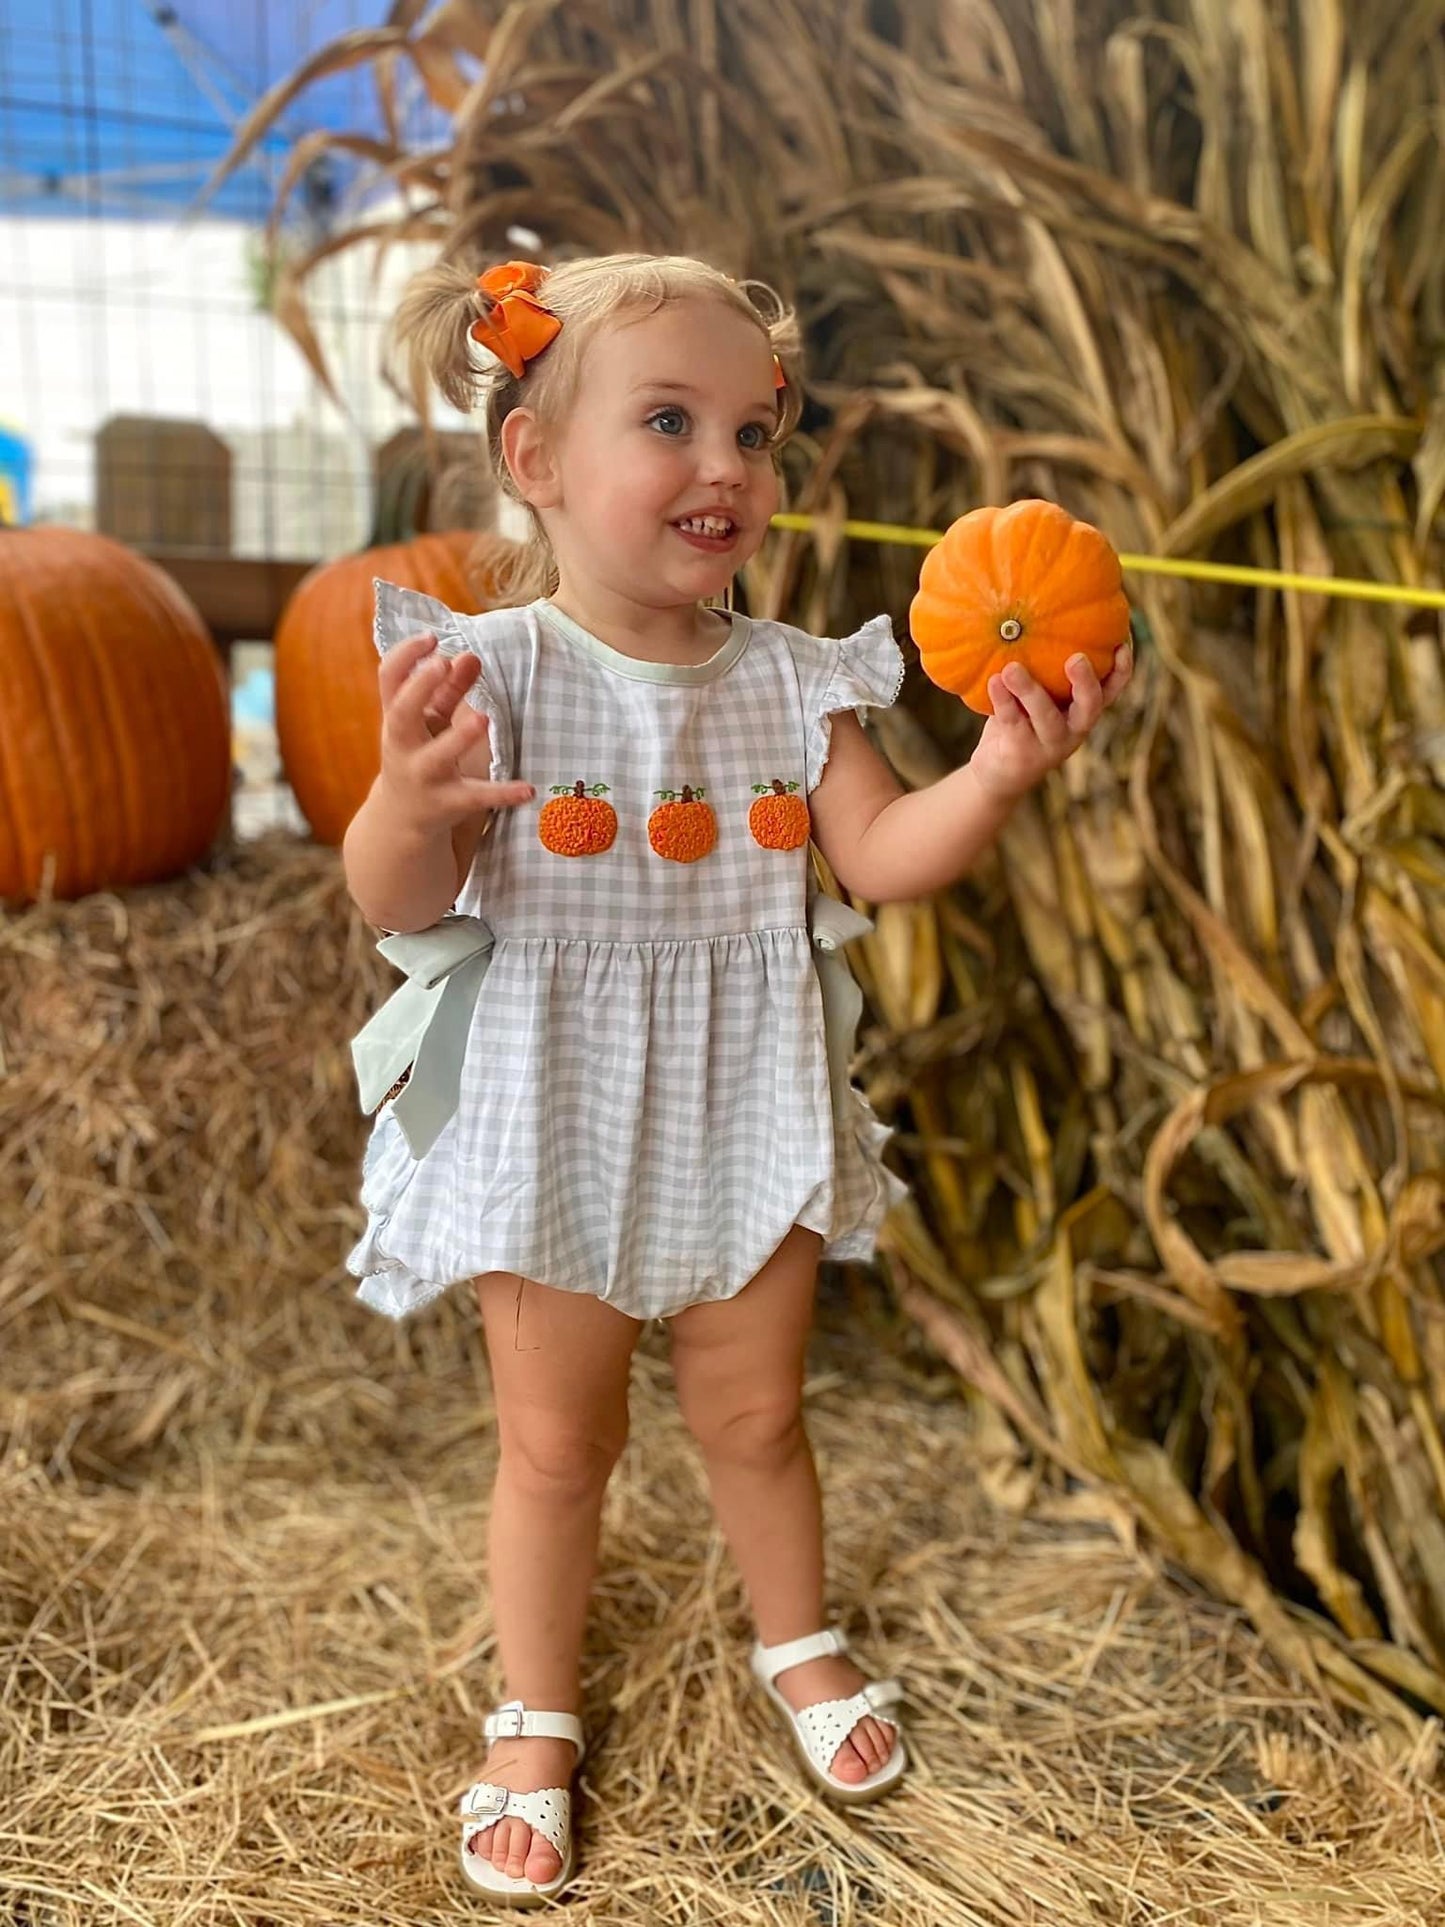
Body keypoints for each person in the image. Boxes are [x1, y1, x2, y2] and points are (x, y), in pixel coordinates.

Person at [341, 253, 1132, 1905]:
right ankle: (533, 1717)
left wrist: (991, 770)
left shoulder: (792, 681)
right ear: (537, 462)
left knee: (757, 1413)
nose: (727, 467)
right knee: (558, 1447)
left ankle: (802, 1642)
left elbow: (882, 858)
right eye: (670, 422)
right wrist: (410, 806)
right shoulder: (490, 674)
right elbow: (393, 906)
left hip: (737, 1088)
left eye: (755, 432)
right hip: (554, 1101)